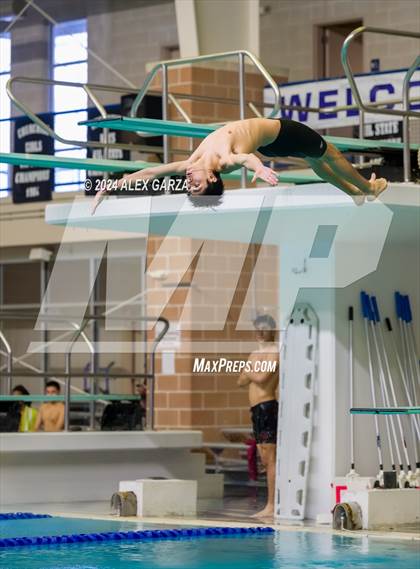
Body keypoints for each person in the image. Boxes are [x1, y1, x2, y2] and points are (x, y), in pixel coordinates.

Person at [92, 117, 388, 213]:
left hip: (271, 139)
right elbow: (245, 158)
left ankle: (355, 192)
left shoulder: (192, 163)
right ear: (211, 177)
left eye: (189, 184)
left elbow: (150, 173)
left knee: (317, 160)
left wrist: (111, 186)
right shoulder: (222, 161)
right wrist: (258, 169)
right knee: (329, 155)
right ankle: (366, 188)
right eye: (196, 184)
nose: (189, 180)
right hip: (282, 133)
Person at [237, 314, 279, 519]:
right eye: (257, 329)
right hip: (256, 410)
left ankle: (272, 505)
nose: (260, 333)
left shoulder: (275, 352)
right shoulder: (255, 353)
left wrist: (249, 369)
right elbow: (240, 381)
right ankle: (270, 503)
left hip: (267, 407)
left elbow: (262, 378)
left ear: (271, 330)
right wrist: (250, 370)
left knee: (270, 459)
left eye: (264, 329)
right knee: (263, 458)